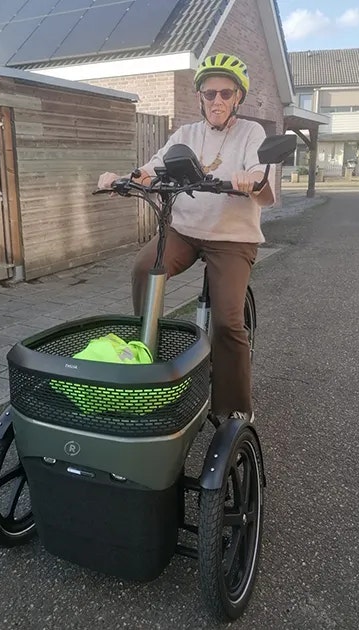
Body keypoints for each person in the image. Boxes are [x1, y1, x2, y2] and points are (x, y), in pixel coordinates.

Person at [97, 53, 276, 420]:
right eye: (209, 94)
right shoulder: (186, 135)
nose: (217, 101)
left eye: (226, 93)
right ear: (200, 97)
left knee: (228, 321)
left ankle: (235, 409)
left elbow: (263, 178)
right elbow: (151, 168)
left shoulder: (251, 133)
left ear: (238, 97)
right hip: (184, 230)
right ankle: (152, 355)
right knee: (144, 268)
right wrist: (124, 178)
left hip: (232, 237)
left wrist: (250, 180)